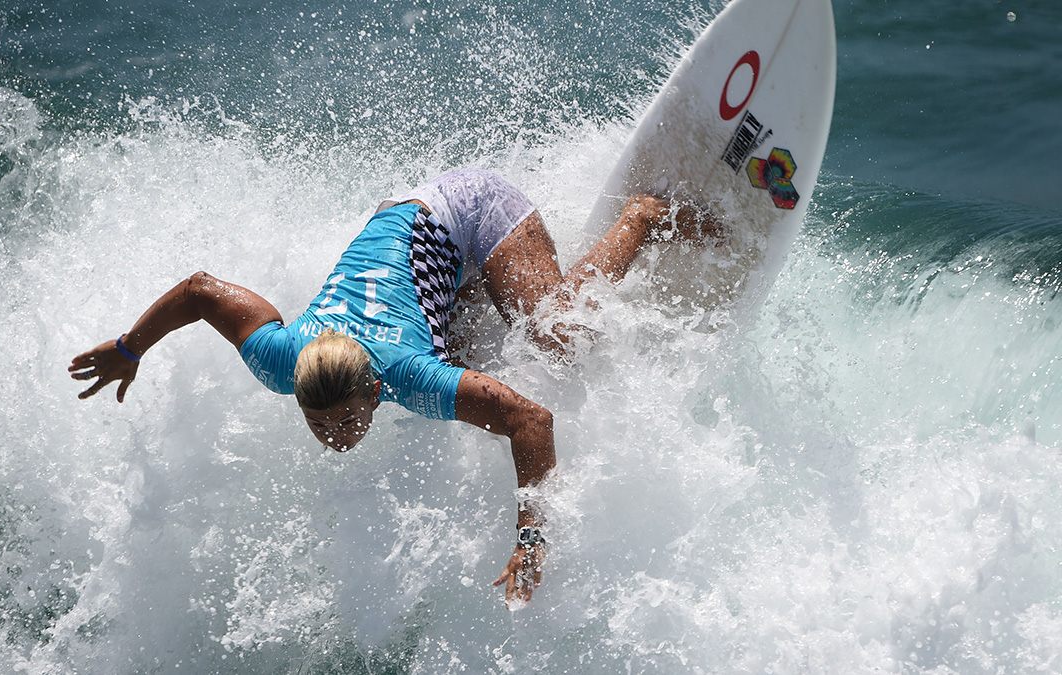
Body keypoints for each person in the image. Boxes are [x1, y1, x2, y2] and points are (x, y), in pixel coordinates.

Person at [69, 169, 716, 607]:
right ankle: (469, 285)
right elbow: (201, 289)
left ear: (375, 391)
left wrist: (530, 535)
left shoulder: (408, 375)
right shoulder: (277, 358)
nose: (333, 437)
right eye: (319, 423)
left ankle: (643, 214)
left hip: (466, 206)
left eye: (344, 421)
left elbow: (533, 420)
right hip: (406, 227)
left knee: (556, 340)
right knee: (471, 349)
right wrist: (130, 349)